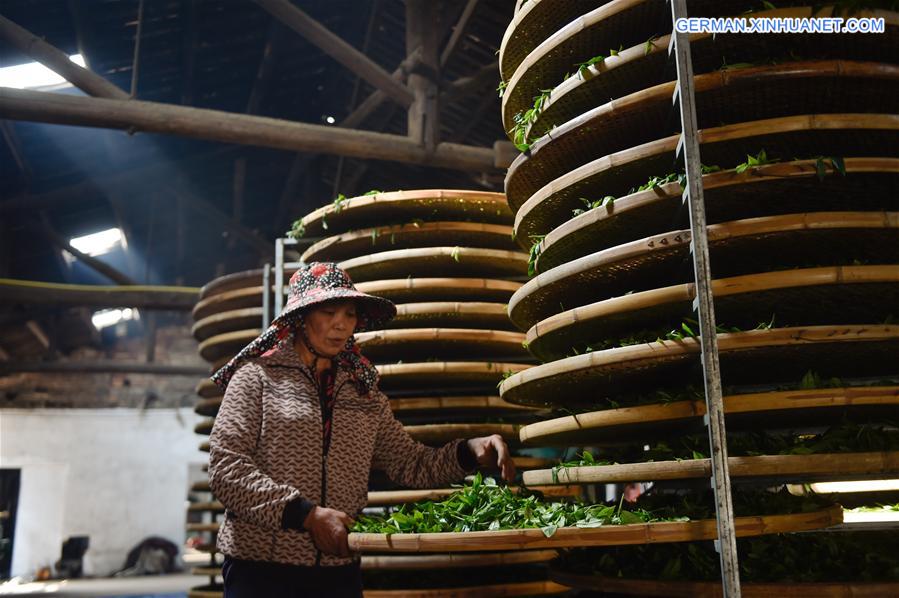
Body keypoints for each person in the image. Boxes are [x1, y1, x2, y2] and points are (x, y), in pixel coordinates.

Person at [208, 262, 516, 598]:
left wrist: (470, 451)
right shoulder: (257, 379)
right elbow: (226, 470)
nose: (341, 324)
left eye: (350, 314)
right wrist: (307, 516)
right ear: (301, 317)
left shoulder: (363, 393)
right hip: (261, 571)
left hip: (339, 572)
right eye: (329, 312)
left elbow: (409, 463)